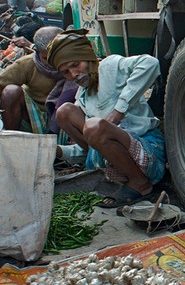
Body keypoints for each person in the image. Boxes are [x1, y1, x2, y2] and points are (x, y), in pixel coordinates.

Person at [48, 29, 166, 207]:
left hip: (145, 154)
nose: (73, 75)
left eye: (76, 64)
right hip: (112, 162)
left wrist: (119, 110)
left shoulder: (109, 66)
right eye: (65, 72)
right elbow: (91, 144)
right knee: (64, 112)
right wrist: (58, 151)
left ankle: (140, 183)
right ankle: (117, 176)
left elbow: (150, 63)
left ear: (87, 57)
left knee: (94, 126)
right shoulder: (82, 96)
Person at [0, 26, 66, 133]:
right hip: (33, 115)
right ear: (36, 51)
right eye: (46, 58)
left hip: (63, 115)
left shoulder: (73, 63)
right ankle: (11, 139)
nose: (53, 62)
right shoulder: (26, 63)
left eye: (57, 56)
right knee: (11, 92)